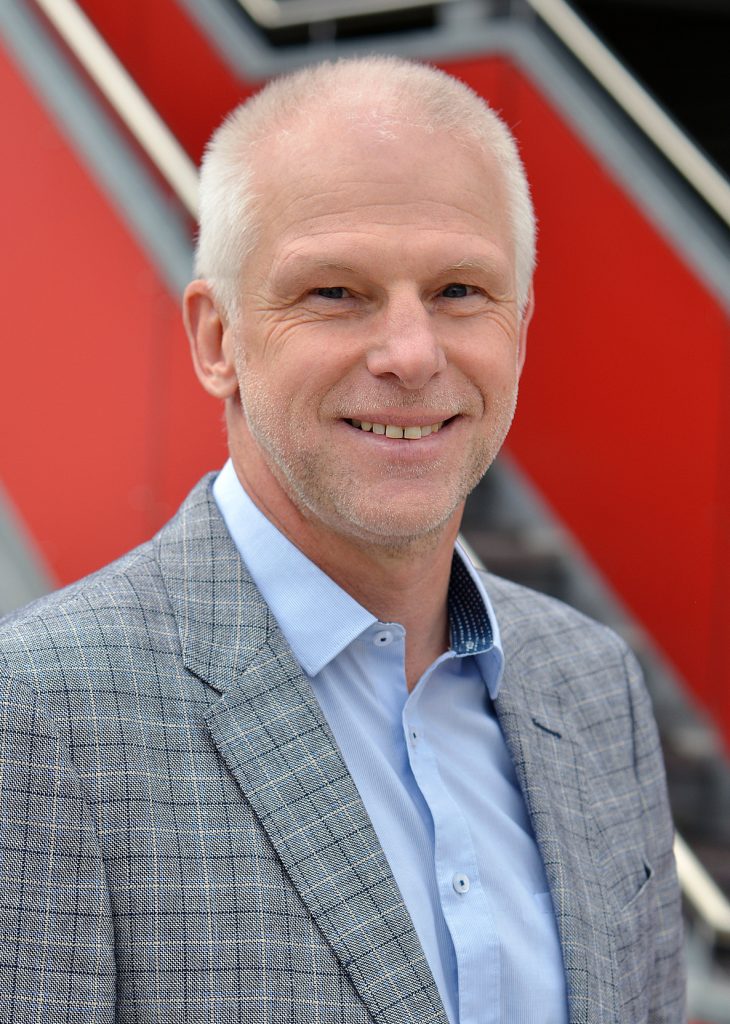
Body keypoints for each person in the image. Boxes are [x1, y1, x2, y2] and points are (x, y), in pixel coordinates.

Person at [0, 56, 684, 1023]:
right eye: (334, 292)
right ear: (217, 340)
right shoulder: (40, 713)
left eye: (459, 290)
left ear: (521, 329)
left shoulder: (593, 684)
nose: (411, 354)